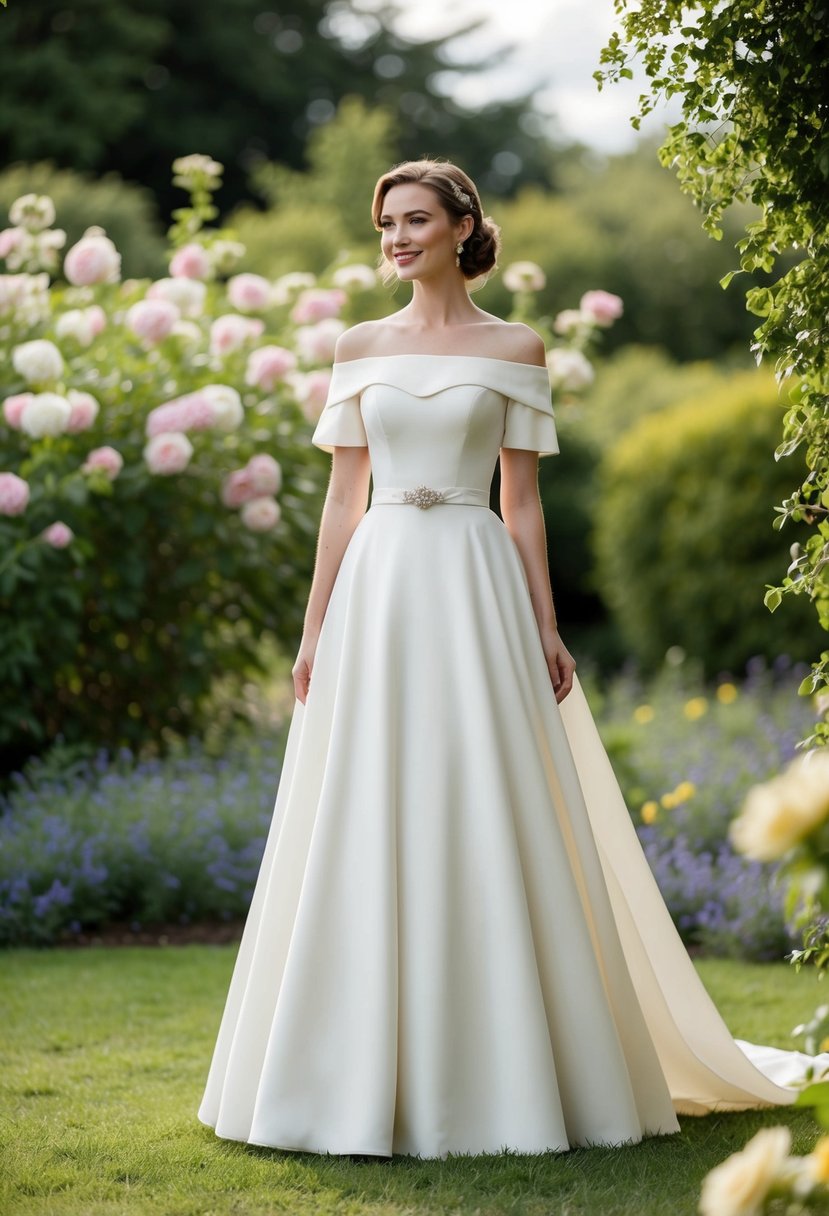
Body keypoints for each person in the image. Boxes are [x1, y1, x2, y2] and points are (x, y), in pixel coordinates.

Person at [198, 158, 818, 1161]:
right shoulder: (358, 346)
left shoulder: (514, 344)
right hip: (380, 589)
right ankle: (344, 1070)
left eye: (414, 220)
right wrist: (313, 632)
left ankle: (510, 1065)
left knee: (486, 796)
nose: (396, 237)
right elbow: (340, 500)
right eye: (385, 223)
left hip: (476, 585)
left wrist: (542, 624)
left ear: (460, 228)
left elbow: (520, 502)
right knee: (366, 801)